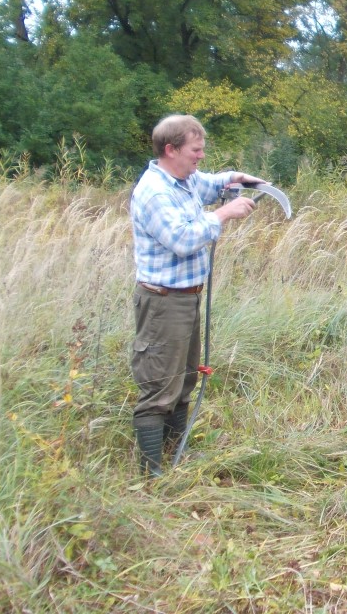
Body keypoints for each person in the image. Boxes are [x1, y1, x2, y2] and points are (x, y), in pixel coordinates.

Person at [129, 114, 264, 477]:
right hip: (162, 302)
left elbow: (210, 182)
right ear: (171, 150)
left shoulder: (182, 180)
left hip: (186, 298)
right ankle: (152, 475)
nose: (201, 157)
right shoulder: (155, 191)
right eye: (196, 150)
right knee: (159, 386)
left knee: (185, 379)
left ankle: (176, 456)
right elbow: (183, 239)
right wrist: (223, 213)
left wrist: (237, 179)